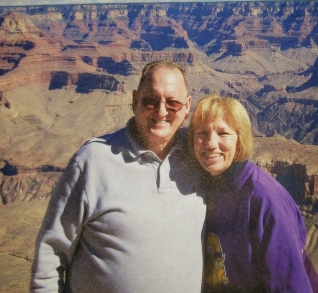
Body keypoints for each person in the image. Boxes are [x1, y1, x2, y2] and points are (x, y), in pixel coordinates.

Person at [31, 61, 206, 292]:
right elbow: (51, 253)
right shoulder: (92, 161)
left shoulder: (201, 158)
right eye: (150, 101)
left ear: (187, 107)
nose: (161, 111)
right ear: (134, 101)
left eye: (172, 103)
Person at [189, 94, 318, 292]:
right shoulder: (209, 185)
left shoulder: (264, 200)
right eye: (202, 133)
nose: (211, 143)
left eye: (223, 133)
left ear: (240, 140)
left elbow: (289, 286)